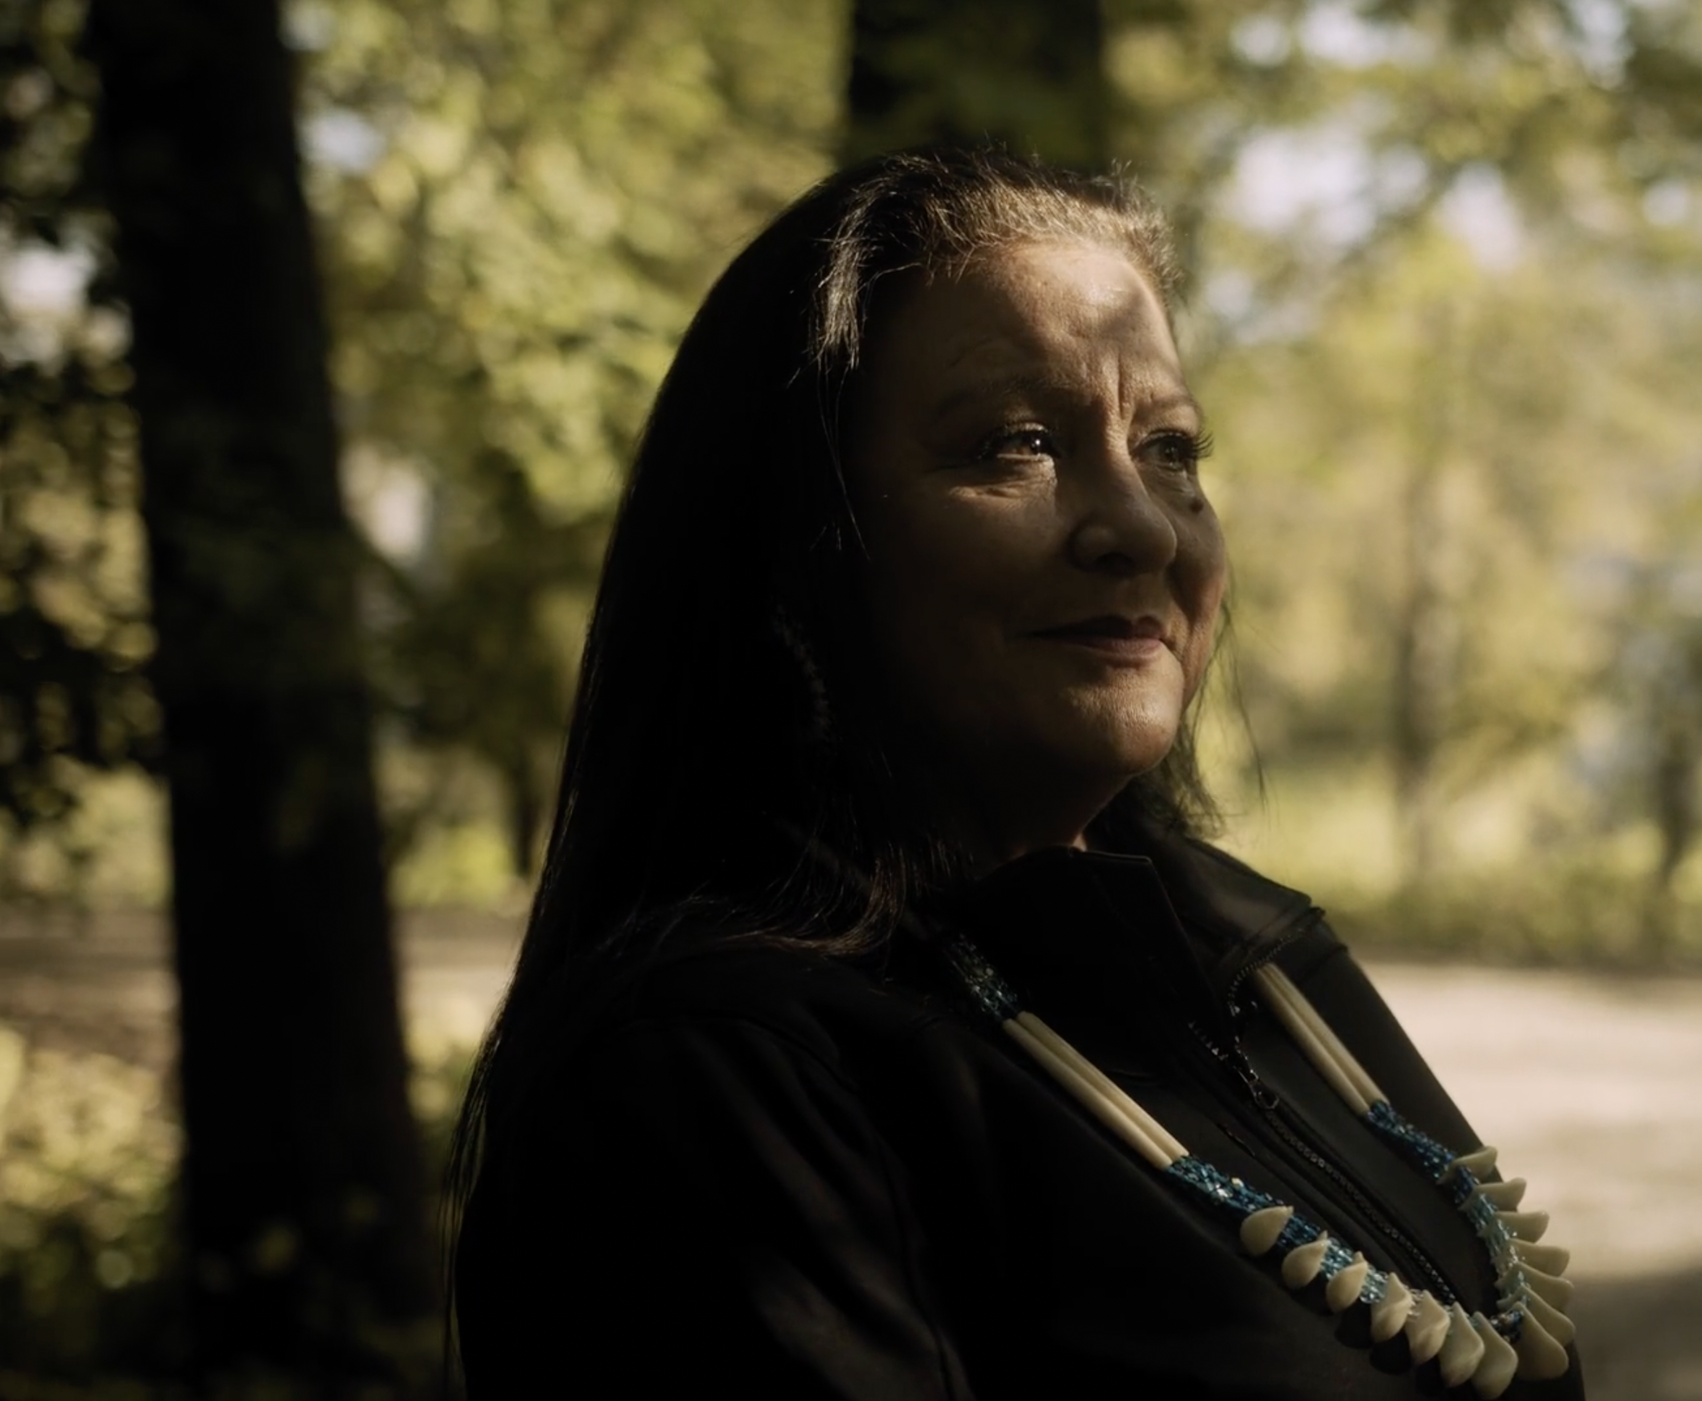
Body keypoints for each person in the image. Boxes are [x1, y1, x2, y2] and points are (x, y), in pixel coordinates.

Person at [449, 148, 1583, 1400]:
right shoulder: (714, 1071)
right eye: (1019, 442)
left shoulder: (1250, 947)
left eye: (1170, 450)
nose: (1141, 526)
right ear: (797, 547)